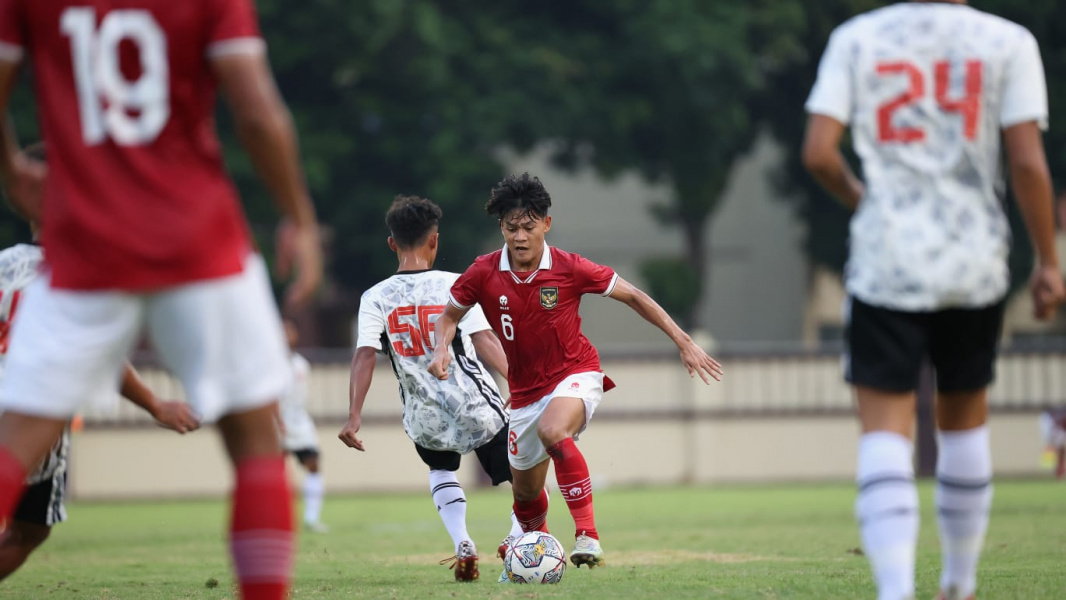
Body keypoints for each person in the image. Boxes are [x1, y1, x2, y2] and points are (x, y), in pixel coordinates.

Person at [0, 0, 323, 597]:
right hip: (198, 239)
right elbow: (255, 111)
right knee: (254, 436)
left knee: (14, 438)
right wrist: (297, 216)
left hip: (83, 243)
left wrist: (12, 168)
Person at [802, 2, 1065, 599]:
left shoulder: (857, 37)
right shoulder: (1008, 41)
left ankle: (897, 592)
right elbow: (1027, 163)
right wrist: (1048, 261)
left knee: (884, 433)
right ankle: (960, 583)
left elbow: (818, 152)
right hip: (974, 261)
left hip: (886, 260)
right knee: (966, 424)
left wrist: (862, 198)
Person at [427, 173, 722, 572]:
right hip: (526, 393)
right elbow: (449, 317)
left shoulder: (569, 267)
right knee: (526, 499)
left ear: (546, 224)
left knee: (554, 431)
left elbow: (633, 295)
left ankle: (588, 536)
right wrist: (441, 348)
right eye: (511, 228)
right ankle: (536, 551)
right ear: (501, 227)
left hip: (575, 373)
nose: (519, 237)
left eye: (528, 227)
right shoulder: (483, 272)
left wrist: (683, 341)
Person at [339, 195, 522, 582]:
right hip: (475, 405)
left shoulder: (374, 298)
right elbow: (486, 340)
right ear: (434, 240)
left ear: (392, 243)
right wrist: (520, 382)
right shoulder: (455, 285)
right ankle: (518, 540)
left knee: (441, 469)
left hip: (424, 417)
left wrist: (354, 416)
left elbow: (365, 357)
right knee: (523, 473)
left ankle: (462, 542)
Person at [0, 236, 202, 580]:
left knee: (31, 527)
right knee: (28, 528)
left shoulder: (7, 263)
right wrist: (155, 404)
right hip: (33, 411)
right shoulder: (81, 277)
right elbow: (103, 352)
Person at [278, 319, 327, 533]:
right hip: (276, 424)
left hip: (299, 423)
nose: (287, 335)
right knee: (275, 470)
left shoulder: (300, 363)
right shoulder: (268, 364)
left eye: (290, 331)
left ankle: (311, 519)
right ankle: (277, 519)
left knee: (313, 464)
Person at [1038, 408, 1066, 479]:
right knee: (1050, 444)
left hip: (1058, 426)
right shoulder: (1049, 420)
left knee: (1061, 447)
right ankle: (1050, 468)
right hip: (1049, 421)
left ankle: (1060, 469)